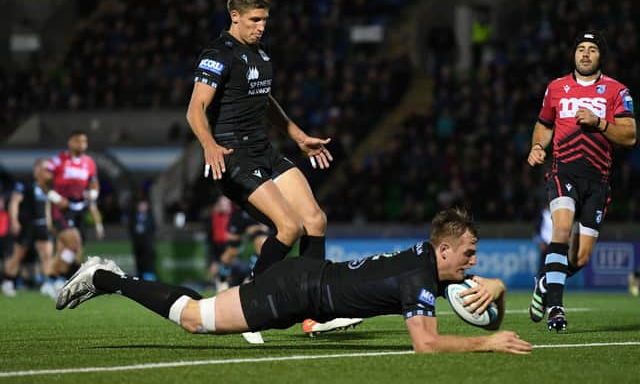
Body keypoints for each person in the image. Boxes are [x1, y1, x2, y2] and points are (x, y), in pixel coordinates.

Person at [56, 208, 532, 354]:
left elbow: (466, 296)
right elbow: (426, 345)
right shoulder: (419, 275)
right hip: (293, 291)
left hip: (305, 284)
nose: (472, 263)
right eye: (469, 254)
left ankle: (109, 279)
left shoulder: (424, 259)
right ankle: (105, 277)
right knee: (194, 319)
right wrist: (486, 345)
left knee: (199, 312)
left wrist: (501, 288)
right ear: (445, 249)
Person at [185, 0, 360, 334]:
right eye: (254, 19)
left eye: (264, 19)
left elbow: (264, 100)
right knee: (289, 227)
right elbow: (195, 108)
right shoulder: (219, 54)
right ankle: (249, 306)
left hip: (265, 150)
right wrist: (209, 144)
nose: (261, 26)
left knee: (315, 220)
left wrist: (297, 136)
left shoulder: (260, 54)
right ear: (235, 16)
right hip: (233, 155)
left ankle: (314, 315)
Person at [527, 31, 636, 332]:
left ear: (601, 56)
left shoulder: (617, 91)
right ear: (574, 54)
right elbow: (543, 124)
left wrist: (599, 123)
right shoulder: (556, 88)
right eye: (580, 49)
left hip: (598, 181)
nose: (585, 54)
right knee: (561, 228)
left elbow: (630, 135)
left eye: (592, 49)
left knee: (582, 257)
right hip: (564, 173)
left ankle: (545, 282)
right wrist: (538, 146)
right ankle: (556, 310)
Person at [45, 130, 104, 288]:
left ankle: (54, 279)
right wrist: (55, 197)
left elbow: (94, 183)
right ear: (70, 142)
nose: (82, 144)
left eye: (84, 141)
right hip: (62, 209)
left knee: (73, 249)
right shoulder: (59, 160)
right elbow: (43, 178)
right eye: (78, 141)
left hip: (79, 210)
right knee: (72, 243)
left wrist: (93, 192)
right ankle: (54, 279)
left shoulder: (89, 163)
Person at [1, 159, 55, 298]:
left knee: (46, 254)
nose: (48, 172)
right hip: (27, 225)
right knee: (19, 254)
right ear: (37, 170)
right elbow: (14, 202)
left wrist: (50, 223)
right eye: (45, 169)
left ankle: (48, 284)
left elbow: (48, 206)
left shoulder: (49, 187)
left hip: (42, 224)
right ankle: (8, 281)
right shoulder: (24, 184)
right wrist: (14, 221)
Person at [127, 194, 157, 281]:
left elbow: (153, 228)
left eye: (143, 205)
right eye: (140, 205)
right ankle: (140, 280)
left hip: (147, 244)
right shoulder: (134, 216)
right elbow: (131, 228)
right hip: (137, 244)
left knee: (148, 263)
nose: (141, 207)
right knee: (139, 263)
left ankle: (150, 280)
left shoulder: (150, 216)